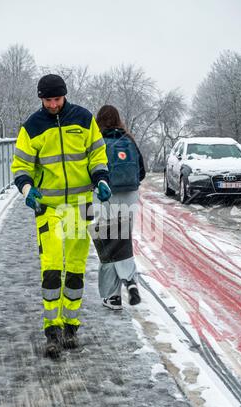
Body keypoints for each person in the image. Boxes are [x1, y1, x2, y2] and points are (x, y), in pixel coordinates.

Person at [11, 74, 111, 358]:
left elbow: (97, 154)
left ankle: (71, 325)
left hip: (81, 205)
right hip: (48, 207)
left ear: (64, 96)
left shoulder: (83, 119)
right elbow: (20, 165)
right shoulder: (32, 127)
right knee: (52, 266)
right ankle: (52, 329)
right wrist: (27, 189)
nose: (53, 104)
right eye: (47, 100)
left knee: (77, 266)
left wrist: (101, 179)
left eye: (56, 99)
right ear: (41, 99)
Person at [95, 105, 146, 310]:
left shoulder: (97, 142)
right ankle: (130, 280)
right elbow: (141, 172)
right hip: (130, 196)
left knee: (108, 247)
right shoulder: (129, 140)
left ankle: (113, 297)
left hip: (106, 196)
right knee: (122, 240)